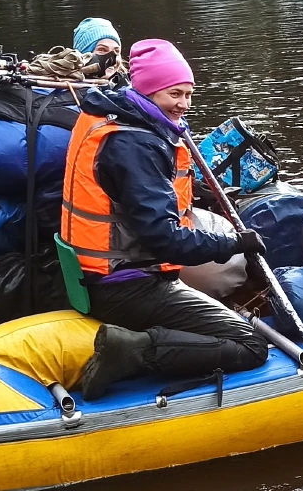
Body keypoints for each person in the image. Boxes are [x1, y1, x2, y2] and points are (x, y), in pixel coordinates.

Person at [62, 38, 269, 396]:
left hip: (107, 276)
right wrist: (234, 244)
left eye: (188, 94)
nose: (183, 104)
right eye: (174, 94)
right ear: (148, 90)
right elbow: (166, 240)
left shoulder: (118, 117)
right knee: (251, 345)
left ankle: (147, 342)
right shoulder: (134, 144)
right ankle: (133, 351)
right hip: (126, 287)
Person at [73, 16, 126, 83]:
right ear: (83, 55)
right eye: (102, 50)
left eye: (117, 51)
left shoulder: (130, 84)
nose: (113, 59)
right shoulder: (65, 87)